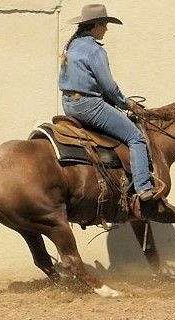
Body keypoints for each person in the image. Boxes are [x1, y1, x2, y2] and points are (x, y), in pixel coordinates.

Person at [59, 4, 156, 201]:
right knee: (135, 137)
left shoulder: (72, 45)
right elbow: (109, 87)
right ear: (95, 26)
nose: (106, 29)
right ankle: (143, 187)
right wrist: (127, 103)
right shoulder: (95, 51)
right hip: (89, 106)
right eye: (104, 25)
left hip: (69, 104)